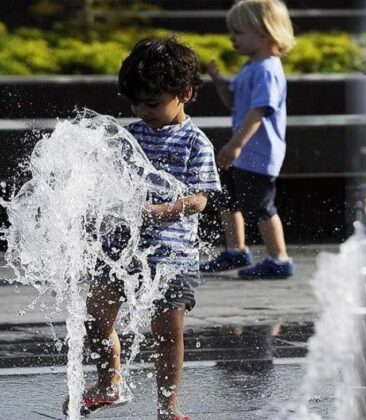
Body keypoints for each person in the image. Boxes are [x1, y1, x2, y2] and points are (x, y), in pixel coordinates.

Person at [64, 37, 221, 419]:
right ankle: (109, 382)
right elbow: (107, 182)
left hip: (172, 256)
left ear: (184, 93)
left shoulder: (195, 142)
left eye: (152, 103)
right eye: (135, 103)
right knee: (96, 314)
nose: (142, 111)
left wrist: (160, 210)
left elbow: (200, 199)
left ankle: (168, 408)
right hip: (121, 248)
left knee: (168, 334)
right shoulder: (129, 134)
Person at [200, 0, 295, 279]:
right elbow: (234, 102)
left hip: (259, 154)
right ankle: (236, 250)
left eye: (239, 32)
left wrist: (236, 144)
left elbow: (259, 111)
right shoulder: (251, 67)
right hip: (243, 153)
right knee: (227, 198)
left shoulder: (267, 69)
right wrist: (219, 83)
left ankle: (279, 259)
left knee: (262, 207)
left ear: (265, 32)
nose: (232, 38)